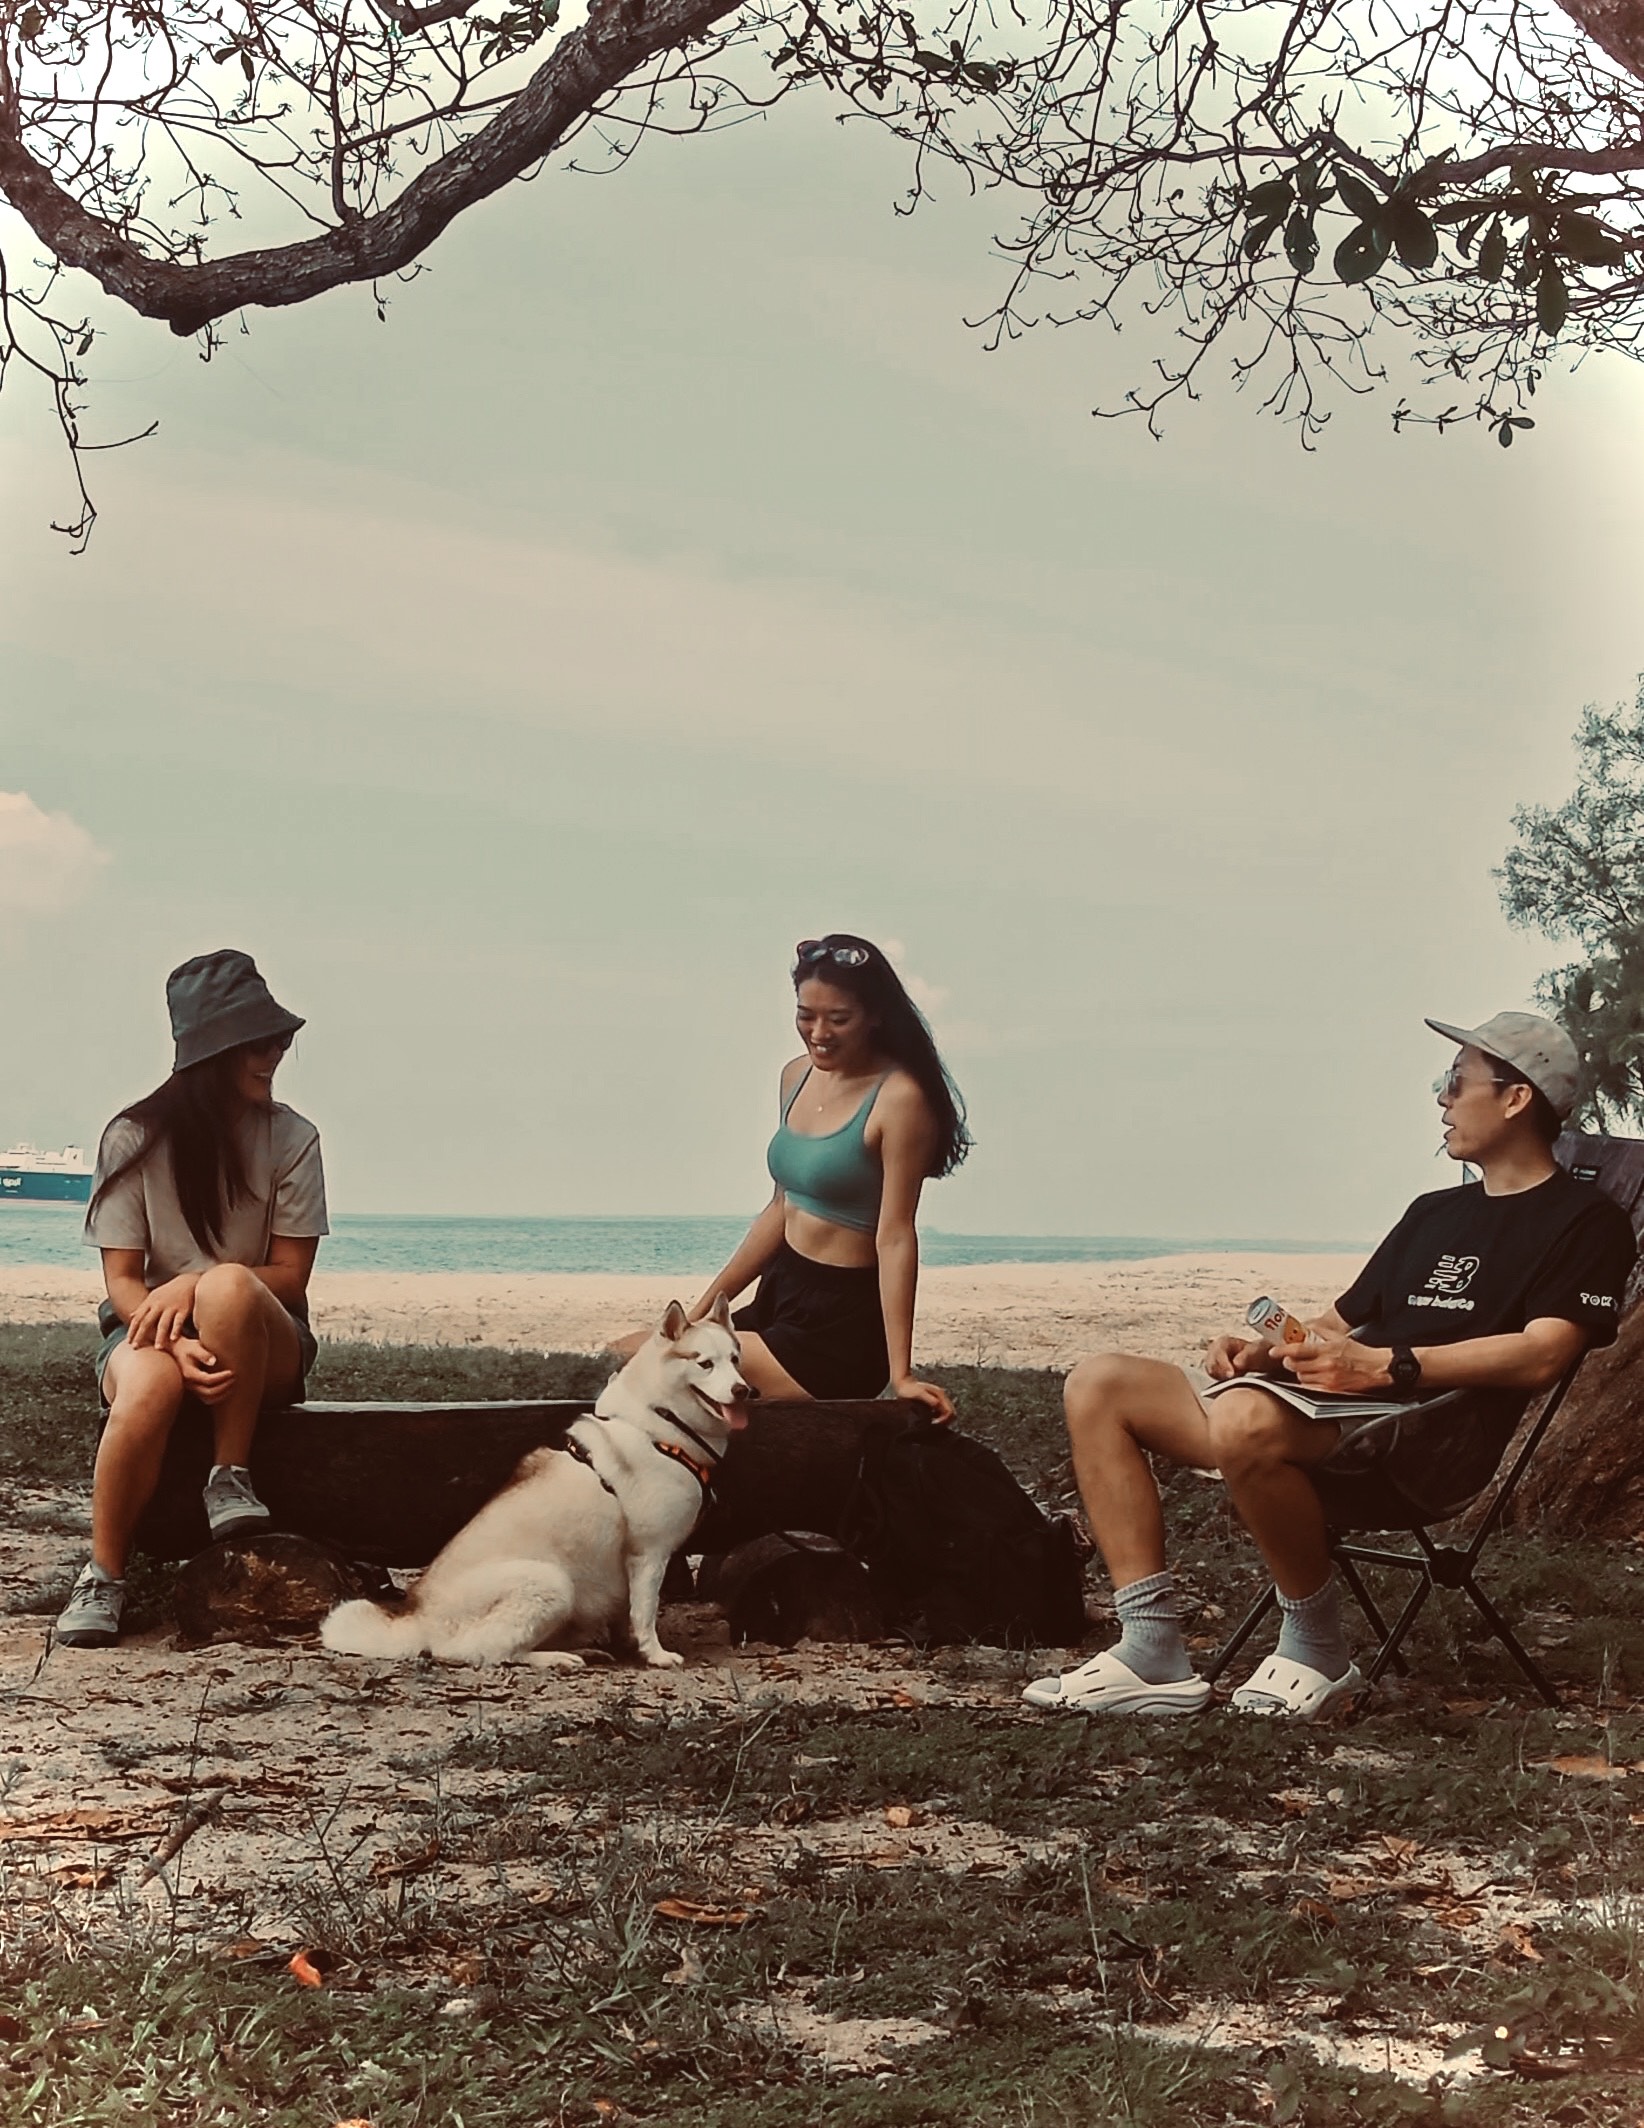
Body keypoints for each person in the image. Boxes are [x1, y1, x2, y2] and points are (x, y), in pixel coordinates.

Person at [1024, 1009, 1637, 1722]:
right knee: (1100, 1383)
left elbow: (1543, 1353)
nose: (1440, 1097)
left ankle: (1317, 1648)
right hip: (1330, 1412)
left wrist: (1386, 1367)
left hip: (1424, 1435)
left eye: (1455, 1081)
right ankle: (1152, 1649)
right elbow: (1334, 1326)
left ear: (1515, 1096)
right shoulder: (1433, 1212)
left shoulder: (1585, 1220)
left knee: (1247, 1420)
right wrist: (1270, 1348)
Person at [54, 950, 329, 1649]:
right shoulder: (134, 1137)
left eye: (280, 1039)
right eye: (257, 1042)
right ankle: (105, 1575)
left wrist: (195, 1284)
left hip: (263, 1343)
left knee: (231, 1284)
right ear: (214, 1052)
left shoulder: (293, 1138)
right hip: (152, 1334)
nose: (274, 1053)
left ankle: (228, 1477)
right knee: (144, 1384)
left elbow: (291, 1277)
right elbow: (120, 1282)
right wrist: (170, 1337)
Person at [685, 935, 971, 1418]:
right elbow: (780, 1208)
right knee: (645, 1353)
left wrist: (900, 1374)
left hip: (839, 1328)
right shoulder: (794, 1077)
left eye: (839, 1019)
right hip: (781, 1293)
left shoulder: (900, 1098)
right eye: (806, 1015)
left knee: (654, 1370)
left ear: (875, 1016)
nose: (819, 1032)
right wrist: (696, 1314)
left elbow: (896, 1235)